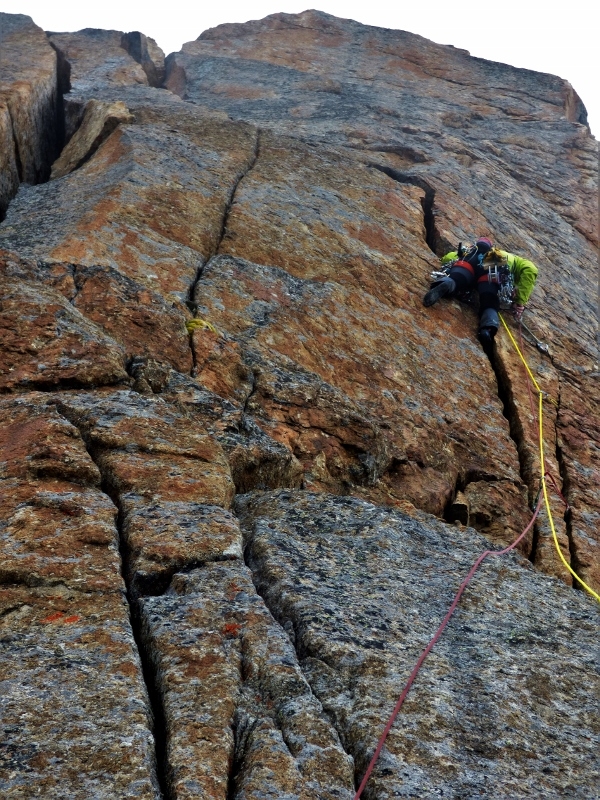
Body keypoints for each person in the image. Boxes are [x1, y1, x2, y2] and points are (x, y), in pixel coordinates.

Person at [423, 237, 538, 352]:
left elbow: (448, 258)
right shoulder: (511, 259)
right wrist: (519, 300)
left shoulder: (471, 251)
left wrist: (446, 261)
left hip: (469, 261)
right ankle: (487, 328)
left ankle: (446, 283)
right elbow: (531, 269)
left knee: (457, 278)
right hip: (494, 267)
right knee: (490, 299)